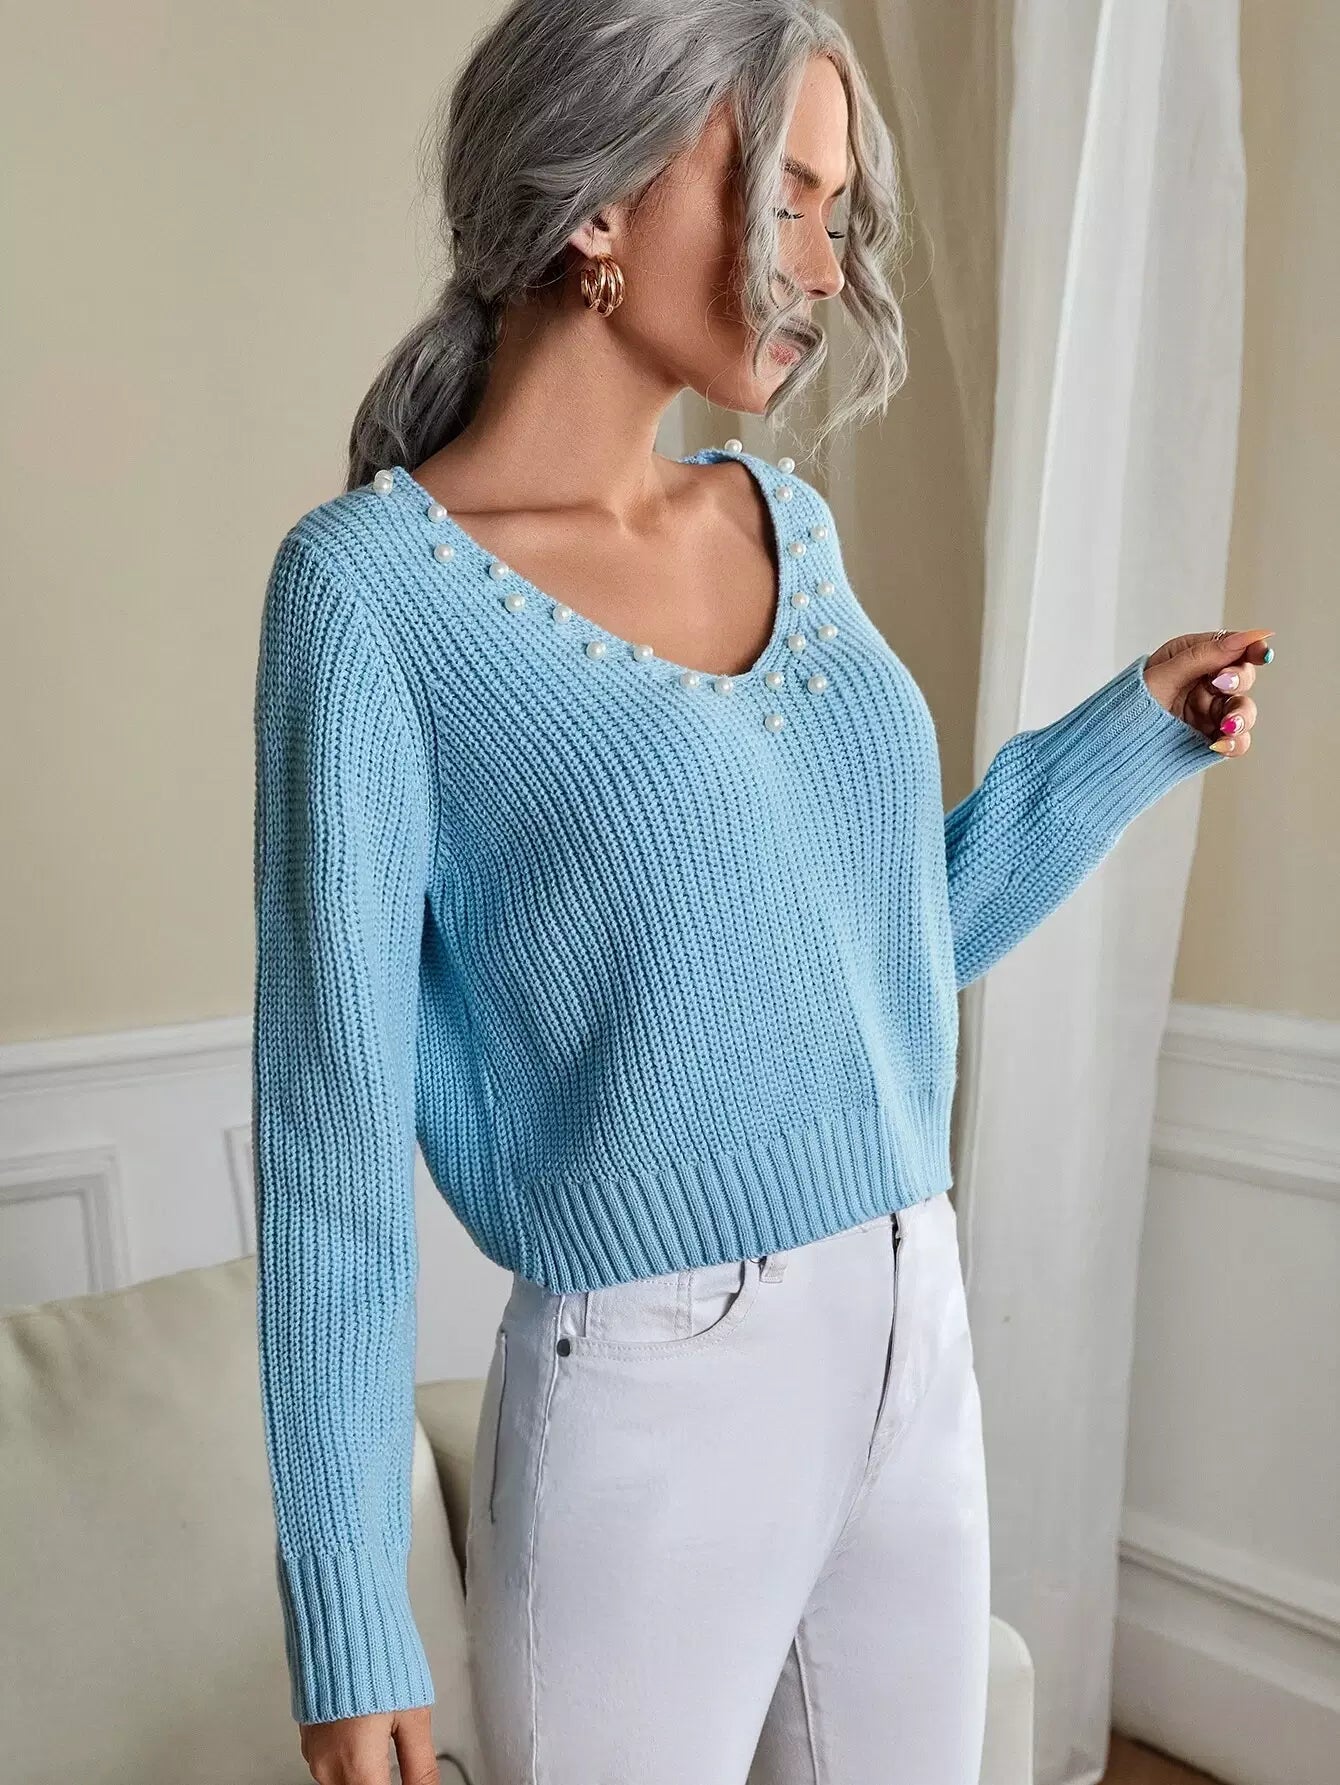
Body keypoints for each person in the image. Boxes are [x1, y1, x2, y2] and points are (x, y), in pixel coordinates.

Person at [250, 3, 1269, 1781]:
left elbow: (881, 954)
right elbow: (329, 1133)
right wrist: (349, 1613)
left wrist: (1130, 736)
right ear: (600, 198)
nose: (822, 263)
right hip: (655, 1397)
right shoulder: (367, 599)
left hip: (912, 1327)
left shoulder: (785, 524)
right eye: (785, 194)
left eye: (836, 208)